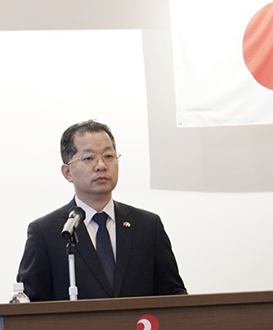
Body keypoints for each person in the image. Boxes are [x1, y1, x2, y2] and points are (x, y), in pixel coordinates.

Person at [16, 120, 187, 301]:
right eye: (88, 158)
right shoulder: (46, 232)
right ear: (67, 172)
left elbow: (173, 294)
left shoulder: (148, 226)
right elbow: (30, 305)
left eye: (108, 156)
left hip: (139, 329)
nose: (101, 165)